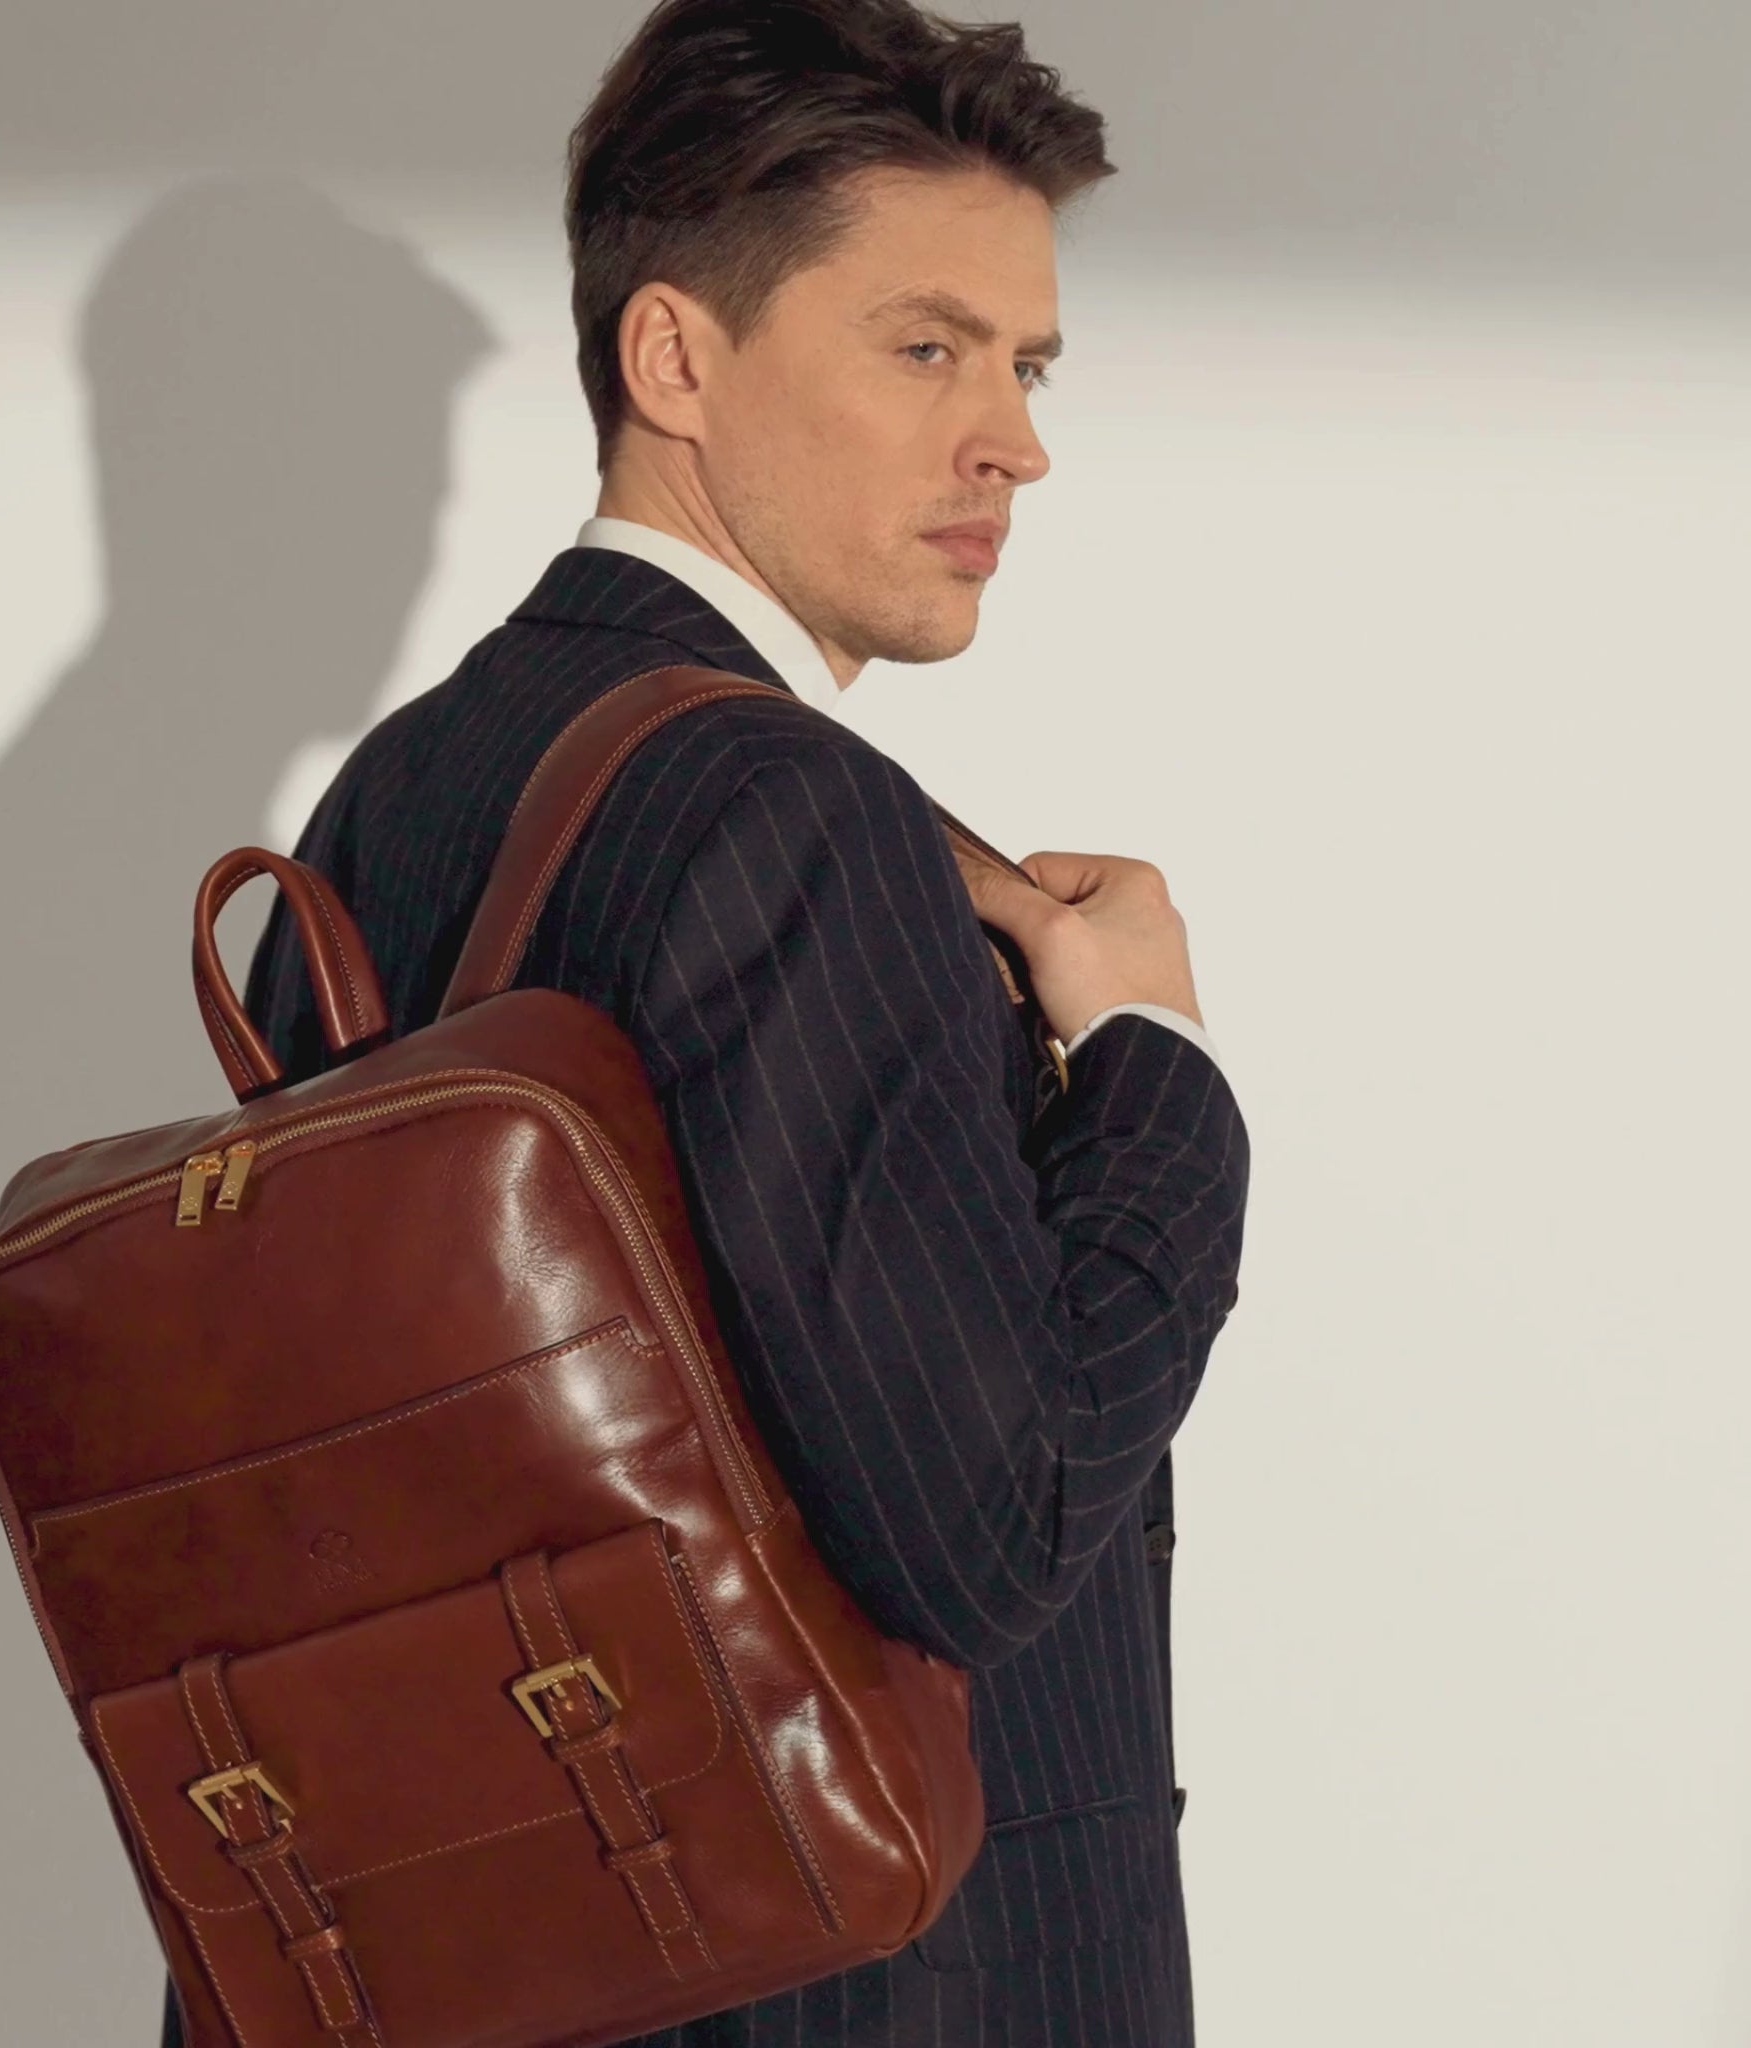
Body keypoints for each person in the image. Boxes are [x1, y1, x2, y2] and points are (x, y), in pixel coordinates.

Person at [177, 2, 1251, 2042]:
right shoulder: (789, 813)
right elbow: (990, 1525)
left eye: (1024, 366)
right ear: (673, 358)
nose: (1013, 440)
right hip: (820, 1984)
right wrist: (1155, 1072)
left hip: (452, 1960)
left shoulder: (398, 786)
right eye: (925, 347)